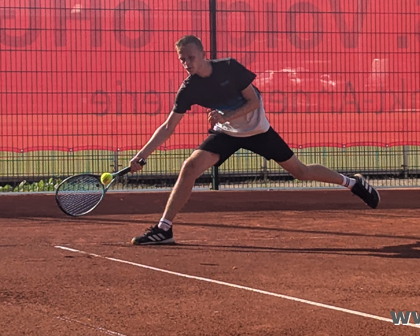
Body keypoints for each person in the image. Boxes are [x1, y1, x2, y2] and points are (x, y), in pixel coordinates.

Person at [128, 35, 380, 245]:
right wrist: (141, 155)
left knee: (300, 171)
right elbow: (168, 127)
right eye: (182, 59)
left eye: (191, 57)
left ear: (203, 54)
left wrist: (226, 115)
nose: (187, 63)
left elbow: (253, 102)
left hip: (258, 130)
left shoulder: (229, 68)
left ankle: (352, 183)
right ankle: (164, 229)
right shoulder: (189, 88)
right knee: (190, 166)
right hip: (227, 133)